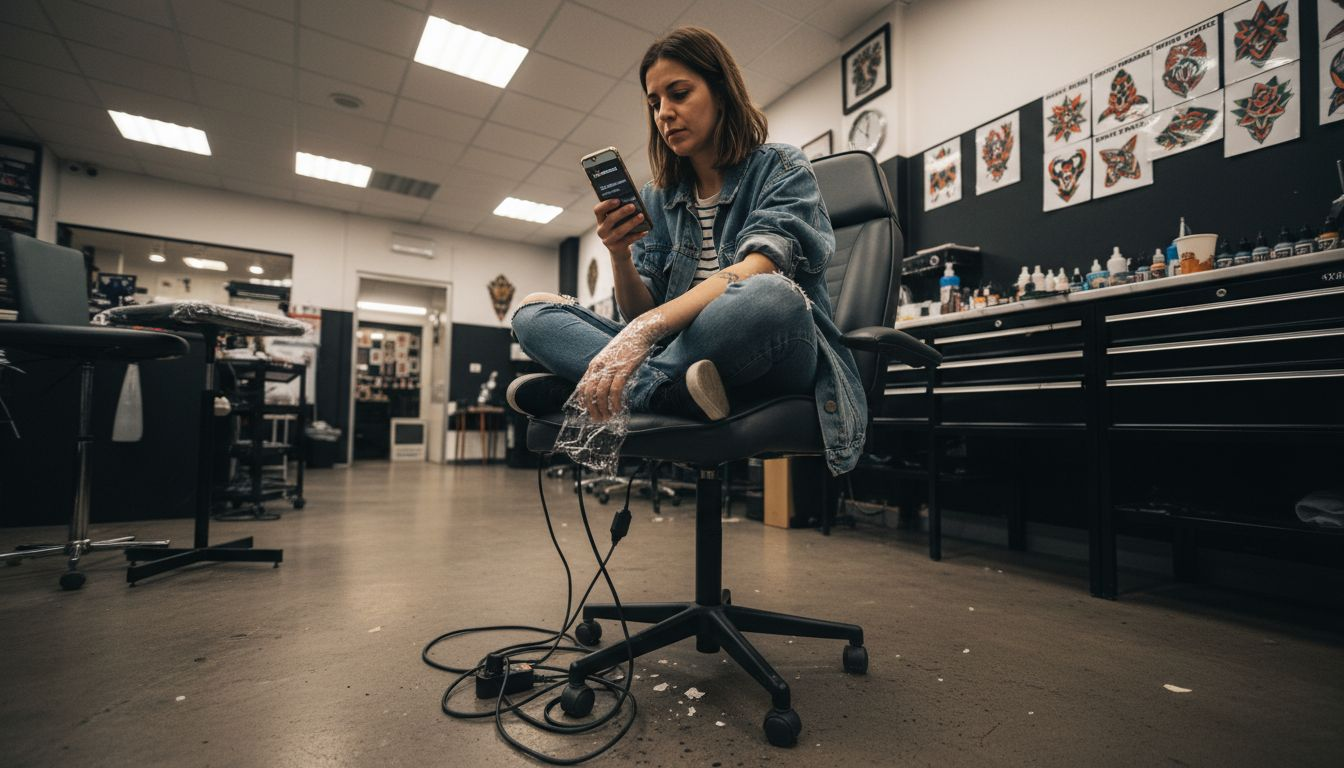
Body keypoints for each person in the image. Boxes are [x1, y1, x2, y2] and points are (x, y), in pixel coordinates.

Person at [509, 26, 867, 475]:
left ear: (721, 91)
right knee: (532, 314)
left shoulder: (781, 166)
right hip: (690, 364)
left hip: (772, 349)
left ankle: (589, 388)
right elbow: (640, 310)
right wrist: (620, 256)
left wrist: (644, 333)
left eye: (679, 94)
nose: (665, 114)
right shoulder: (658, 197)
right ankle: (664, 393)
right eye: (655, 103)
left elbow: (760, 266)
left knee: (771, 295)